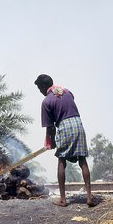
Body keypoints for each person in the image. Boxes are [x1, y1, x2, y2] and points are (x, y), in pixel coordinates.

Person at [34, 74, 94, 207]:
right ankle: (89, 197)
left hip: (64, 126)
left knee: (62, 160)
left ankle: (63, 199)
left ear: (44, 87)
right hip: (78, 124)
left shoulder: (46, 102)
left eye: (39, 89)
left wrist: (51, 142)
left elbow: (50, 127)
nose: (40, 92)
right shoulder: (67, 92)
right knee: (82, 159)